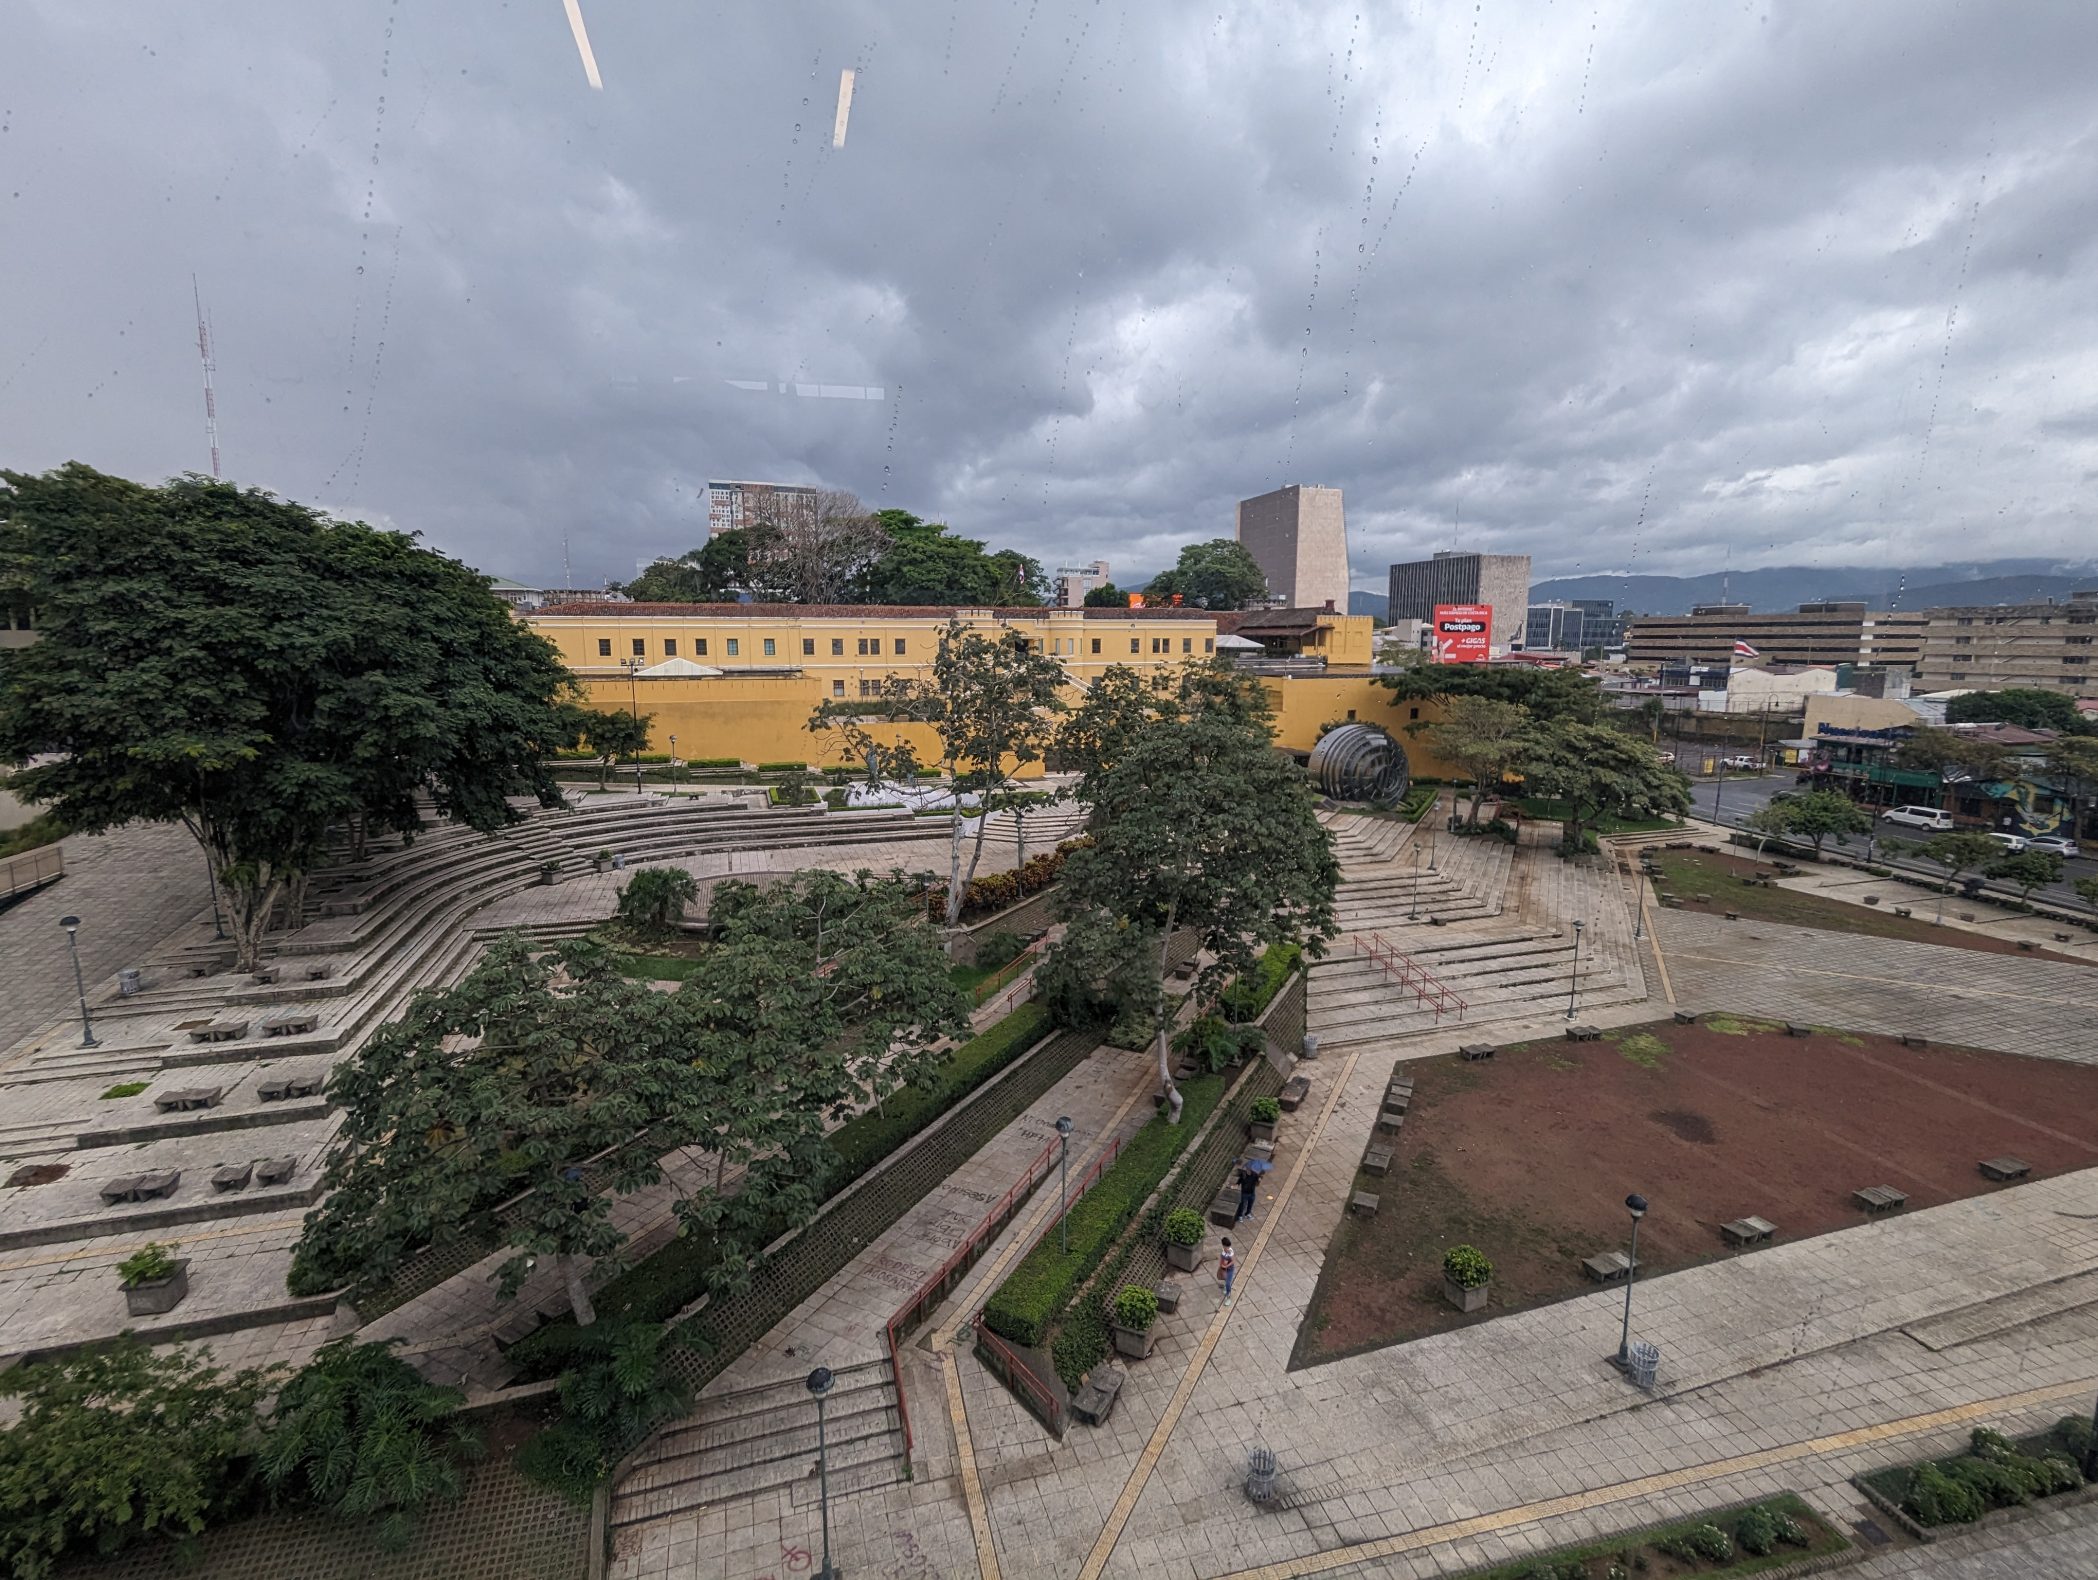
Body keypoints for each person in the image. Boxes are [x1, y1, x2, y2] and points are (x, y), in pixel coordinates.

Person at [1217, 1235, 1236, 1302]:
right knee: (1225, 1278)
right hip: (1224, 1268)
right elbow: (1221, 1259)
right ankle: (1225, 1287)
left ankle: (1228, 1297)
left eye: (1228, 1247)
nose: (1228, 1248)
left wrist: (1226, 1266)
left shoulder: (1230, 1252)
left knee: (1228, 1283)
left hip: (1230, 1269)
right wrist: (1221, 1266)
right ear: (1223, 1246)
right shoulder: (1223, 1251)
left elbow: (1233, 1261)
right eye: (1226, 1247)